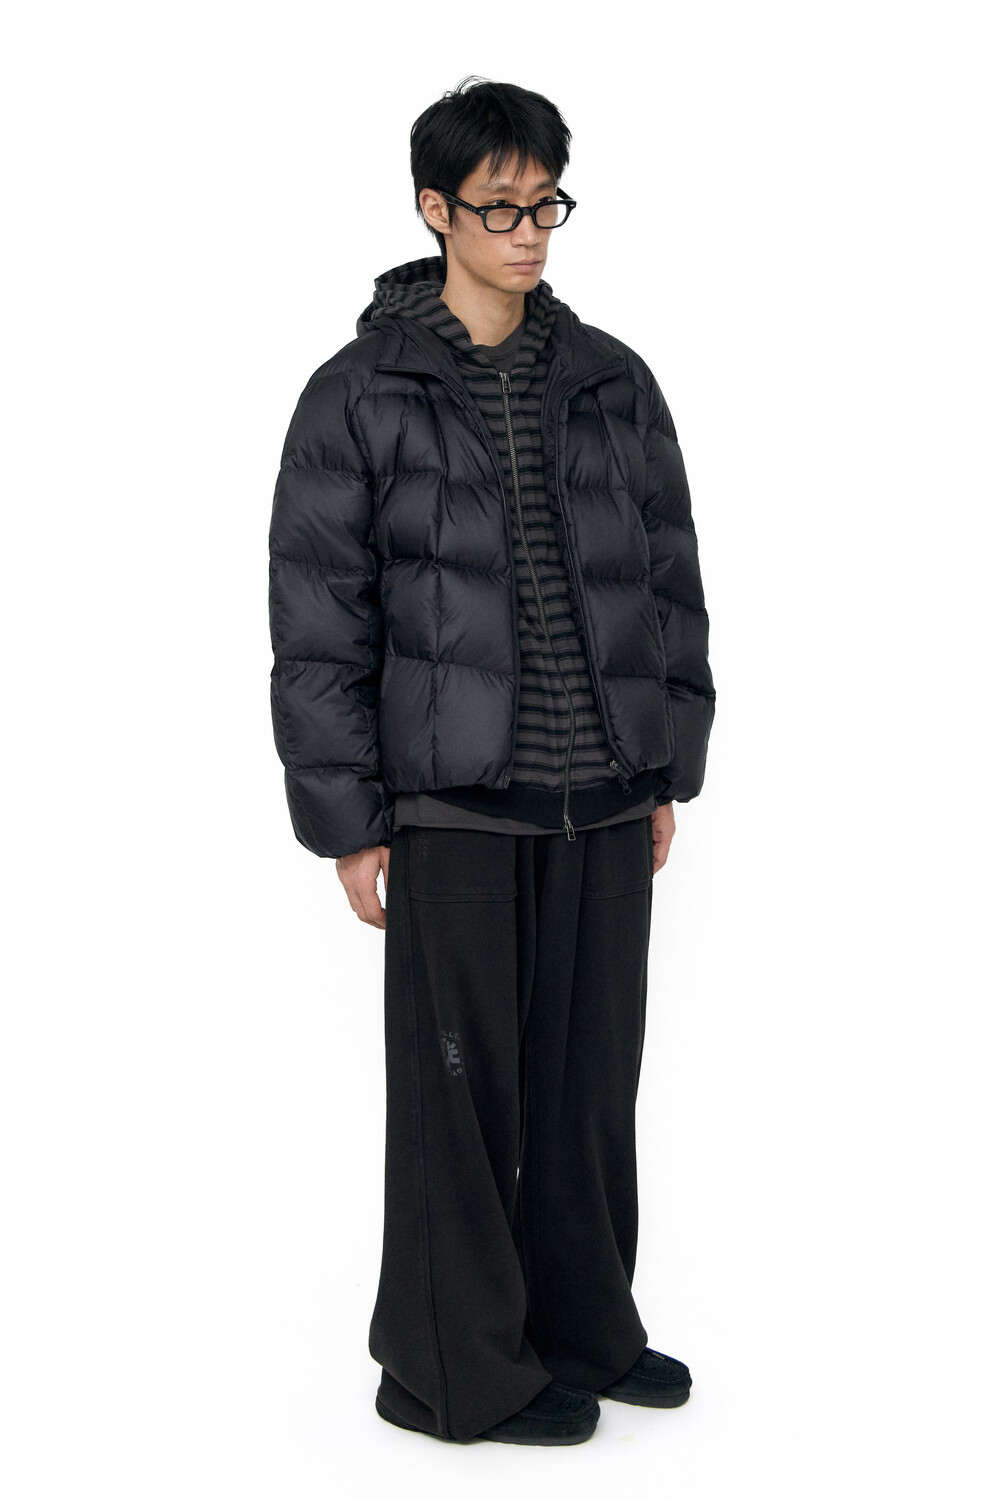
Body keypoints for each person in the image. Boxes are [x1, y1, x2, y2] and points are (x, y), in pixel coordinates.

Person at [267, 76, 716, 1446]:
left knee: (589, 1087)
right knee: (459, 1101)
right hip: (453, 803)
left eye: (545, 205)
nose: (528, 233)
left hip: (604, 795)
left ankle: (581, 1328)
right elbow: (318, 620)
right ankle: (449, 1371)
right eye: (500, 208)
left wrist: (665, 766)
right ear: (436, 210)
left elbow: (671, 579)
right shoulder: (358, 395)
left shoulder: (611, 380)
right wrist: (350, 820)